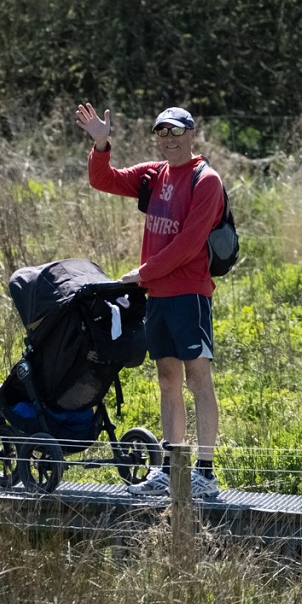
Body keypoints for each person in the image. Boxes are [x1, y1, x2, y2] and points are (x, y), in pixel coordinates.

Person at [74, 103, 223, 499]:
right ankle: (171, 471)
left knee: (197, 379)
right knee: (167, 379)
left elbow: (190, 243)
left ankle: (205, 474)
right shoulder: (154, 175)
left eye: (176, 131)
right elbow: (102, 179)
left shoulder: (206, 180)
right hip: (157, 295)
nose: (169, 139)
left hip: (189, 294)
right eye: (162, 132)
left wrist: (143, 272)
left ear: (192, 134)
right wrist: (101, 144)